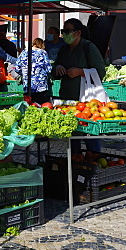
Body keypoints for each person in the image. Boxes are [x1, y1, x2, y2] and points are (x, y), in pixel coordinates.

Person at [54, 18, 106, 152]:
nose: (64, 34)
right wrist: (58, 67)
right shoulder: (64, 49)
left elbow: (100, 72)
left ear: (78, 33)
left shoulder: (88, 47)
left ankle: (94, 160)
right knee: (72, 134)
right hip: (67, 98)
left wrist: (80, 72)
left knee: (89, 133)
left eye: (67, 31)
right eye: (62, 31)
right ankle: (75, 162)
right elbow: (54, 69)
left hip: (85, 99)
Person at [13, 38, 52, 103]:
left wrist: (25, 73)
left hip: (27, 85)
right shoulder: (43, 53)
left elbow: (17, 68)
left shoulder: (24, 52)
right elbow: (49, 69)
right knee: (40, 106)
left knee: (28, 106)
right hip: (40, 86)